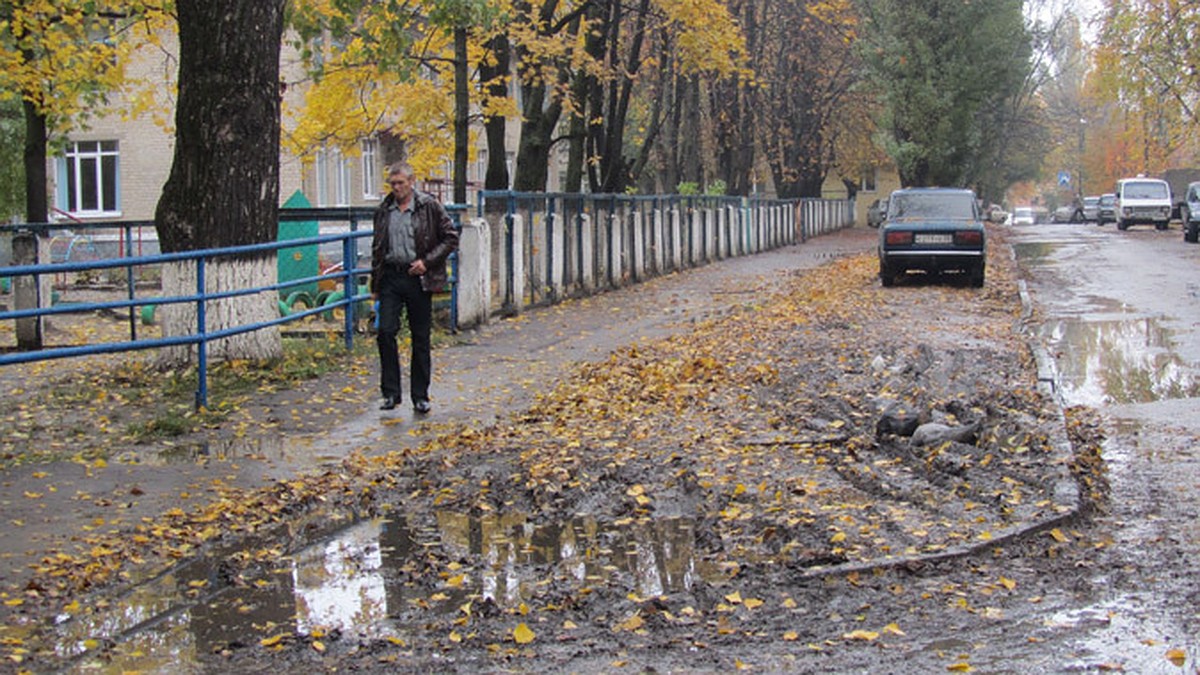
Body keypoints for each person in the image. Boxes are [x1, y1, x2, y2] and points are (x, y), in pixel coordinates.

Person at [370, 163, 460, 413]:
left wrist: (427, 262)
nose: (396, 188)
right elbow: (377, 248)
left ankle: (420, 396)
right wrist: (374, 285)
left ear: (412, 182)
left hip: (418, 278)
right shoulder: (384, 210)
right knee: (385, 332)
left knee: (420, 337)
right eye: (393, 184)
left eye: (401, 183)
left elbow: (450, 237)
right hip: (391, 276)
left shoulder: (428, 206)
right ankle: (390, 393)